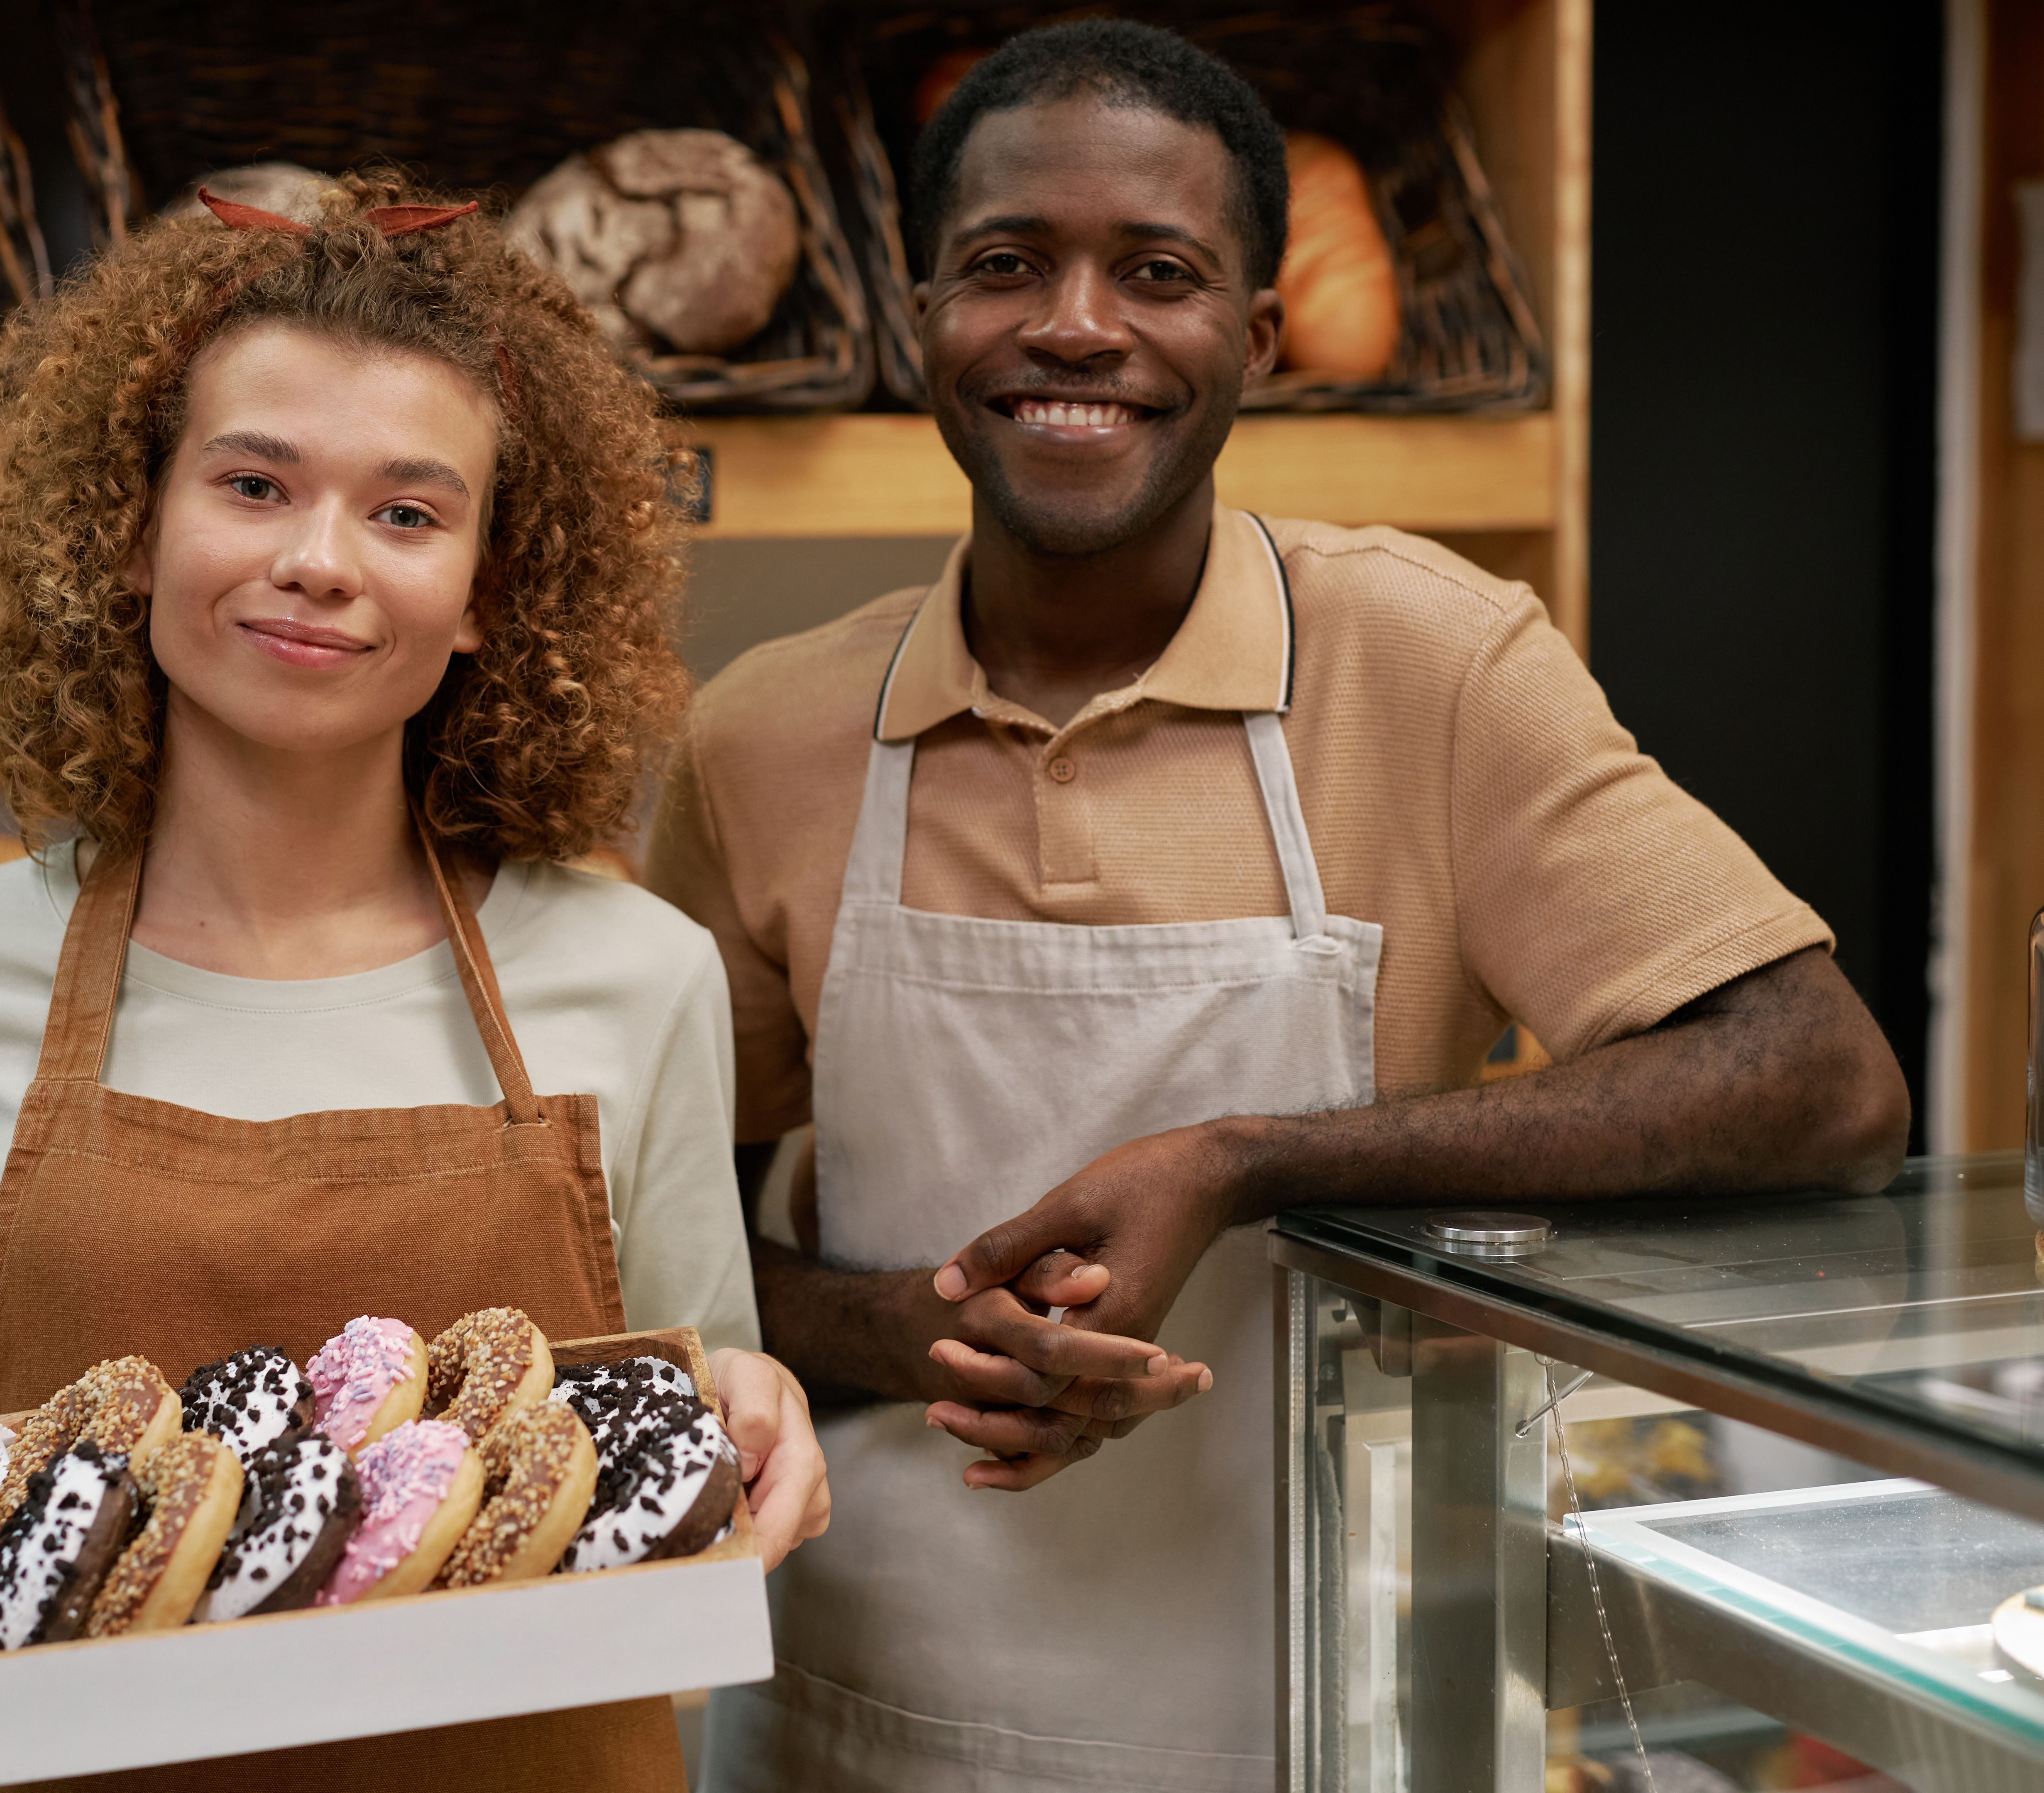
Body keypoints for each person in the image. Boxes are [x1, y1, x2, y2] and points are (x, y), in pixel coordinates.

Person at [645, 20, 1909, 1791]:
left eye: (1155, 273)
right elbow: (657, 1229)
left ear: (1253, 340)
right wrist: (939, 1340)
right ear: (921, 315)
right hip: (862, 1722)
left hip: (1316, 1715)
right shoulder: (762, 734)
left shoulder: (1437, 663)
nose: (1076, 324)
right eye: (1007, 265)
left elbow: (1820, 1080)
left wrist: (1246, 1161)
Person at [0, 173, 827, 1791]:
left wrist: (756, 1416)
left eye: (408, 514)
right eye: (254, 485)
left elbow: (691, 1415)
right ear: (134, 528)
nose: (323, 561)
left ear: (486, 593)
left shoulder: (641, 974)